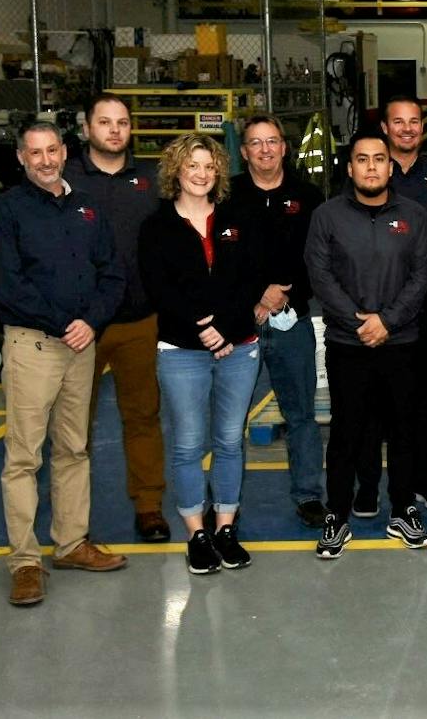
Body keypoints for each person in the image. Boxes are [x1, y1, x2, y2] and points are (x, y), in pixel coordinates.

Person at [0, 121, 127, 607]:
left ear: (64, 152)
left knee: (74, 448)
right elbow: (9, 285)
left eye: (52, 151)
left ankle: (70, 544)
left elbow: (112, 272)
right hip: (34, 346)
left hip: (81, 346)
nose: (46, 161)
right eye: (35, 153)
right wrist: (66, 322)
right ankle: (25, 562)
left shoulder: (87, 206)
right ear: (21, 158)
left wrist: (91, 321)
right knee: (24, 457)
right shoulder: (7, 211)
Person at [138, 134, 270, 576]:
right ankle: (197, 533)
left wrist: (227, 329)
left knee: (230, 441)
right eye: (193, 165)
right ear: (176, 170)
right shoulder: (157, 227)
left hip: (239, 346)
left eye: (209, 166)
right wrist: (203, 327)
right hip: (181, 350)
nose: (201, 174)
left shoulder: (238, 219)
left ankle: (225, 528)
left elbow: (251, 278)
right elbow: (159, 288)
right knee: (189, 444)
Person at [306, 135, 427, 559]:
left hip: (401, 343)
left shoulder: (414, 216)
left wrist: (388, 321)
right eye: (362, 160)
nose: (371, 167)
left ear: (389, 167)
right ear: (350, 168)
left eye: (379, 159)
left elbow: (422, 274)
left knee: (403, 430)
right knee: (346, 432)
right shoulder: (327, 216)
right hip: (348, 344)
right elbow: (320, 275)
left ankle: (402, 510)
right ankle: (337, 516)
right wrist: (359, 321)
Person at [63, 94, 168, 544]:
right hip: (80, 327)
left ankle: (149, 507)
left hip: (138, 320)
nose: (114, 130)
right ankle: (73, 522)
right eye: (104, 122)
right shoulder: (65, 177)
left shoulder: (152, 178)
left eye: (122, 122)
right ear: (87, 128)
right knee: (73, 427)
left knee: (143, 417)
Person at [228, 114, 327, 529]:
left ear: (284, 148)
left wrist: (285, 294)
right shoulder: (227, 196)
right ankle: (226, 503)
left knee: (301, 414)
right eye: (256, 142)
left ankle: (308, 496)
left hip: (293, 322)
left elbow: (321, 257)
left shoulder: (308, 196)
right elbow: (220, 260)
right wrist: (256, 295)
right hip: (239, 324)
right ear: (244, 151)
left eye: (272, 141)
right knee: (230, 421)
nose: (265, 149)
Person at [373, 95, 427, 514]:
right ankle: (386, 484)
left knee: (426, 396)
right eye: (398, 121)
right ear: (385, 128)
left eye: (414, 121)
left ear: (422, 127)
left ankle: (425, 477)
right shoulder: (371, 173)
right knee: (383, 397)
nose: (407, 128)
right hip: (380, 303)